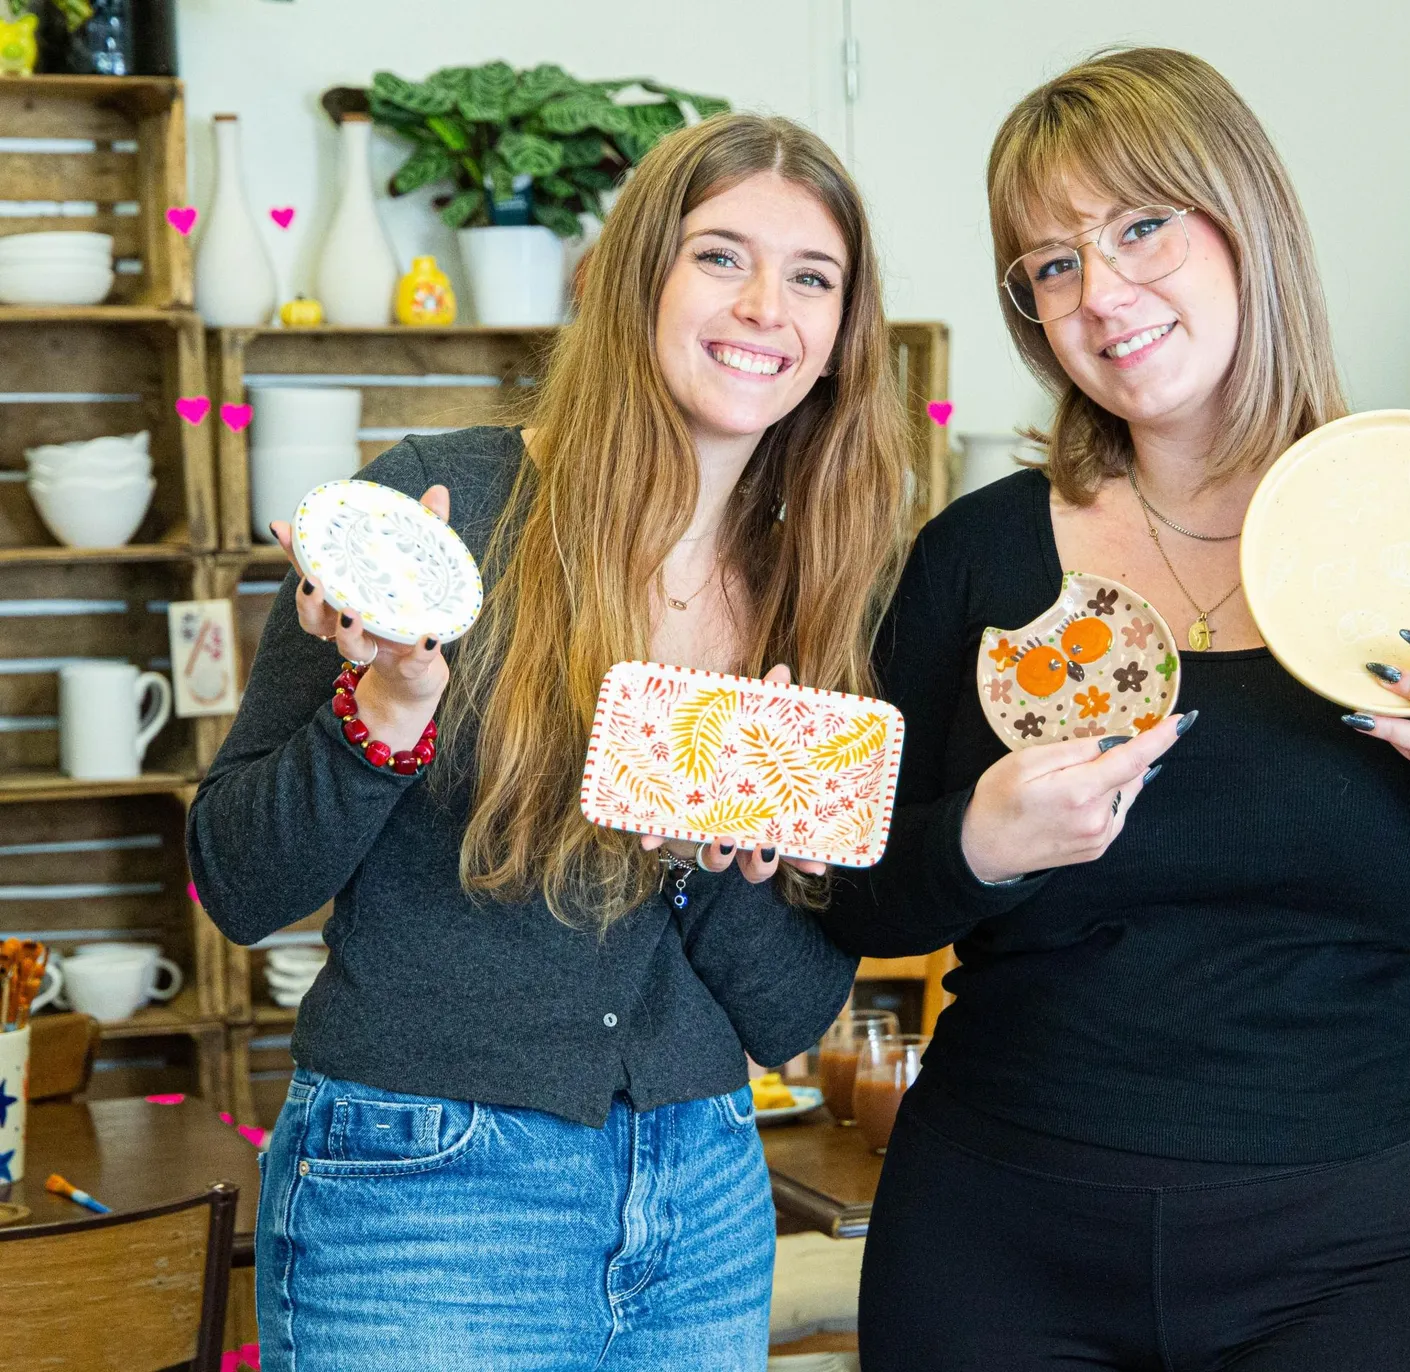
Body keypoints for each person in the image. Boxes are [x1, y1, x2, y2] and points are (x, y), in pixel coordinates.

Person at [822, 48, 1410, 1372]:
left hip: (1373, 1240)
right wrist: (976, 841)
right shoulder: (978, 561)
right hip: (1005, 1235)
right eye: (1050, 263)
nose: (1100, 293)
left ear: (1245, 218)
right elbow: (851, 898)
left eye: (1140, 225)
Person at [188, 112, 911, 1372]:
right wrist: (385, 716)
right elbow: (236, 885)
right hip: (421, 1191)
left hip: (703, 1202)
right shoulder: (438, 508)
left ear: (843, 334)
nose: (765, 307)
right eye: (720, 256)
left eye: (814, 277)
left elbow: (796, 1010)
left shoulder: (826, 586)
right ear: (641, 279)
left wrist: (698, 856)